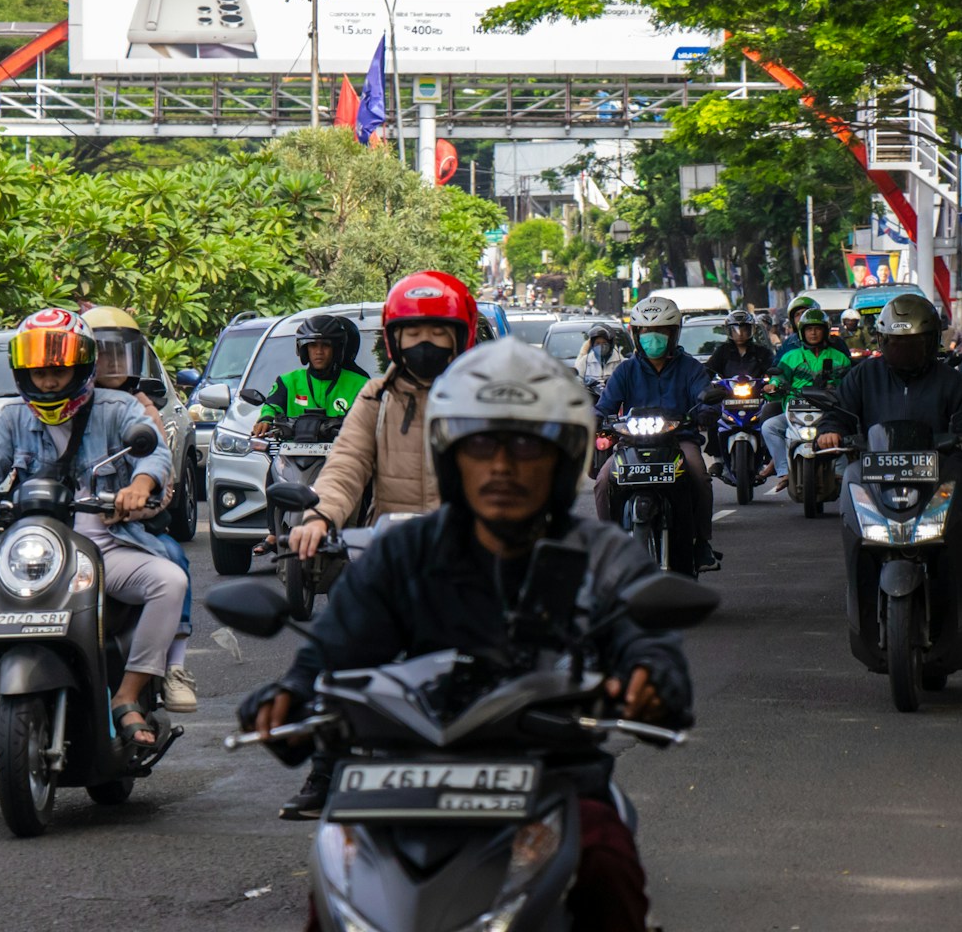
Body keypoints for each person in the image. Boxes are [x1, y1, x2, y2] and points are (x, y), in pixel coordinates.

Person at [241, 341, 692, 932]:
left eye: (527, 446)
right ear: (451, 456)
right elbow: (333, 648)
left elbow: (648, 641)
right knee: (334, 880)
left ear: (562, 459)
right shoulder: (401, 553)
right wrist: (288, 697)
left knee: (606, 860)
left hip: (549, 779)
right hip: (400, 783)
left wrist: (650, 680)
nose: (502, 467)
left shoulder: (599, 555)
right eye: (480, 444)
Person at [275, 270, 479, 817]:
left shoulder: (486, 394)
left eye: (438, 334)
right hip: (392, 555)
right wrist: (318, 515)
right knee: (340, 652)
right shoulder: (377, 395)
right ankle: (326, 773)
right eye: (413, 334)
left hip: (472, 557)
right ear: (394, 338)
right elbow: (345, 465)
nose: (425, 345)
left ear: (462, 336)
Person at [0, 308, 182, 750]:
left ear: (81, 367)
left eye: (58, 370)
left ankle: (126, 696)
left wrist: (141, 483)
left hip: (106, 544)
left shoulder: (119, 408)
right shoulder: (13, 417)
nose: (48, 381)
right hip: (29, 546)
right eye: (39, 371)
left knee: (170, 581)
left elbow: (154, 455)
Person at [814, 293, 962, 601]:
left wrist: (961, 463)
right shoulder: (863, 376)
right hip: (874, 480)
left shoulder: (952, 382)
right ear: (883, 341)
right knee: (851, 523)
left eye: (913, 343)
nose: (903, 350)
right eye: (896, 342)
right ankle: (861, 594)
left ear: (931, 341)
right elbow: (838, 413)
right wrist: (830, 431)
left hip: (936, 480)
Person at [83, 305, 199, 712]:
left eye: (120, 352)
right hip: (66, 530)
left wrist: (136, 502)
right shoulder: (62, 404)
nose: (112, 362)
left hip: (130, 527)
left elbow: (162, 479)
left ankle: (174, 666)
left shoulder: (139, 408)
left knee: (174, 560)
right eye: (101, 352)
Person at [592, 296, 721, 572]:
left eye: (660, 332)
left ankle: (702, 543)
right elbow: (604, 406)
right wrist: (593, 420)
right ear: (636, 335)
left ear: (673, 333)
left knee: (699, 476)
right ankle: (609, 546)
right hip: (631, 442)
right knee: (603, 481)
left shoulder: (690, 368)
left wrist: (705, 411)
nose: (654, 339)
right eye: (647, 333)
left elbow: (707, 398)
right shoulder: (626, 370)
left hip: (679, 439)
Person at [762, 308, 854, 492]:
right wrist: (772, 386)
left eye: (817, 328)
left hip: (829, 410)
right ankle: (783, 471)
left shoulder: (840, 358)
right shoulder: (790, 356)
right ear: (802, 331)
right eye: (809, 329)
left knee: (844, 435)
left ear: (825, 331)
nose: (813, 333)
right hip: (796, 409)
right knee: (769, 427)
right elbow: (779, 378)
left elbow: (850, 384)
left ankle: (841, 474)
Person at [250, 313, 370, 434]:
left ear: (337, 349)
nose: (319, 352)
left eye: (326, 345)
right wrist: (265, 419)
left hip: (343, 450)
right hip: (291, 451)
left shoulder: (361, 385)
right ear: (304, 349)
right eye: (313, 345)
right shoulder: (287, 381)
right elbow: (272, 406)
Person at [703, 309, 778, 481]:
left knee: (769, 419)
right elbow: (708, 370)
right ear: (728, 331)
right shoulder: (722, 351)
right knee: (714, 417)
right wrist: (707, 385)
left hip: (757, 398)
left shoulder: (762, 352)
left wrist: (771, 384)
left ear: (752, 330)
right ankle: (719, 460)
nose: (740, 333)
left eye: (744, 328)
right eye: (735, 329)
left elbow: (774, 370)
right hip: (728, 398)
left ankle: (768, 457)